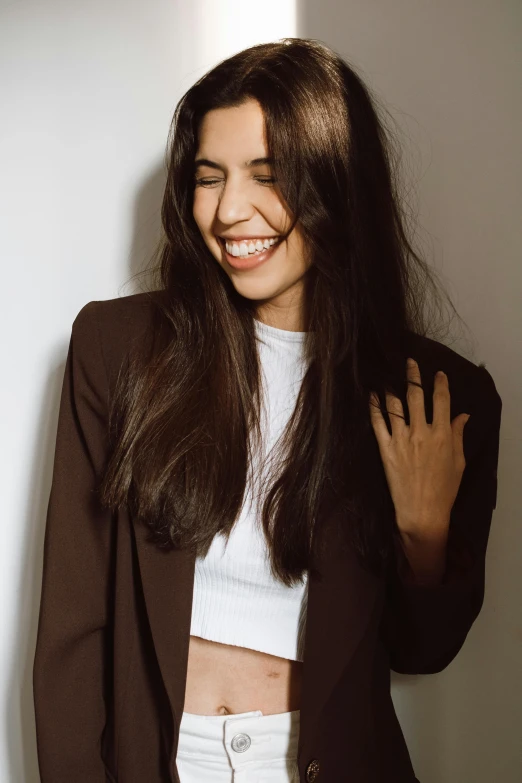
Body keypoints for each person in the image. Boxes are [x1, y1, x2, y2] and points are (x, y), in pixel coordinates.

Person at [33, 38, 502, 783]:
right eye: (208, 177)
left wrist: (424, 534)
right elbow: (71, 635)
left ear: (336, 184)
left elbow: (424, 653)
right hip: (160, 762)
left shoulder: (438, 395)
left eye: (267, 175)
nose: (227, 211)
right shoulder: (116, 351)